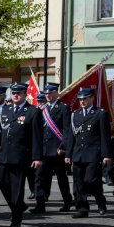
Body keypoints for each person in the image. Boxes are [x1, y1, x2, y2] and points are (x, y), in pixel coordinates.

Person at [0, 82, 43, 227]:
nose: (15, 95)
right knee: (1, 181)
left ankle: (16, 218)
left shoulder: (33, 112)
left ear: (25, 94)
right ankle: (18, 206)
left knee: (17, 189)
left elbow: (37, 137)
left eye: (19, 93)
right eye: (13, 93)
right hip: (3, 155)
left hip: (20, 156)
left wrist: (37, 157)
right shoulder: (5, 110)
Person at [64, 88, 114, 218]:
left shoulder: (100, 113)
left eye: (85, 98)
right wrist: (68, 154)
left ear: (92, 98)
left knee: (91, 181)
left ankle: (100, 202)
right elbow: (71, 136)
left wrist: (106, 155)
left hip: (93, 153)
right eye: (80, 99)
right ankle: (82, 208)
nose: (82, 101)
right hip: (78, 153)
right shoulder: (76, 114)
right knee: (78, 182)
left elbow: (105, 136)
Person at [32, 82, 73, 213]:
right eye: (46, 94)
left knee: (61, 178)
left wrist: (63, 146)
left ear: (56, 93)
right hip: (44, 150)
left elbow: (67, 130)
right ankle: (40, 204)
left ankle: (67, 201)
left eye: (50, 93)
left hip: (57, 150)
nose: (48, 96)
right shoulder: (42, 109)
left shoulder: (63, 108)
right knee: (39, 178)